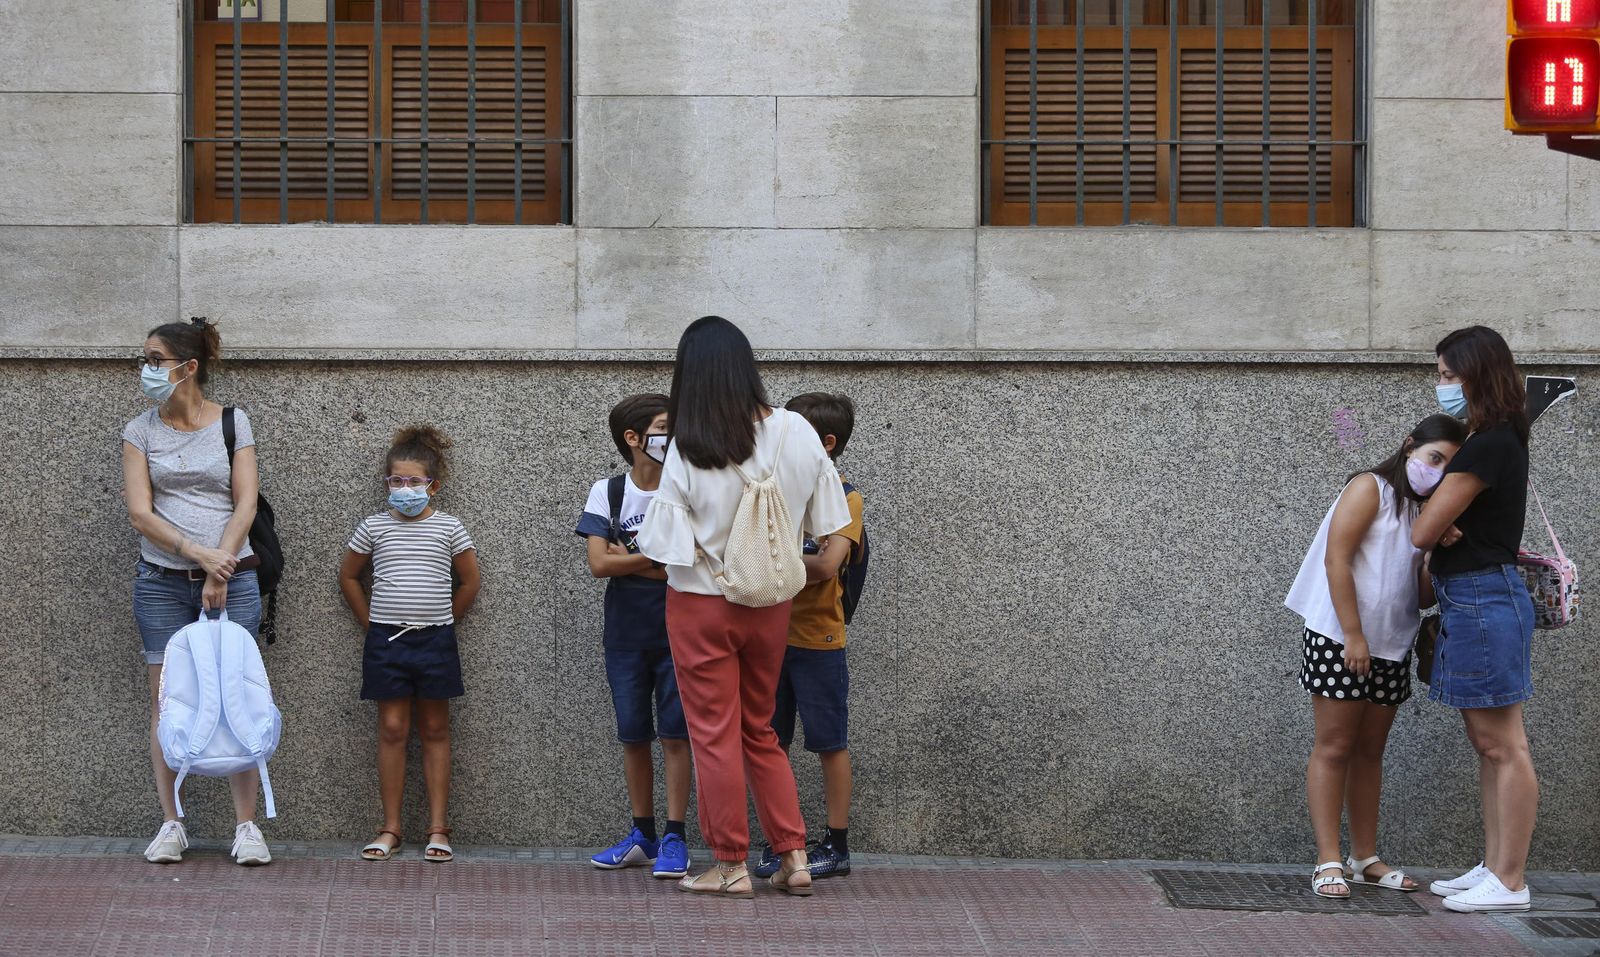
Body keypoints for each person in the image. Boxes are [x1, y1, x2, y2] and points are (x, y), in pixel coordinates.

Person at [636, 316, 851, 899]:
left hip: (702, 605)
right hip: (772, 602)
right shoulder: (798, 431)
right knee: (760, 729)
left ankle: (730, 863)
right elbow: (828, 517)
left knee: (713, 733)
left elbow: (664, 545)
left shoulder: (689, 442)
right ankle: (795, 855)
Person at [1286, 413, 1466, 899]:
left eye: (1450, 467)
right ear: (1410, 446)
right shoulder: (1371, 488)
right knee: (1334, 746)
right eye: (1434, 458)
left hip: (1392, 643)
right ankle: (1328, 859)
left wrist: (1435, 553)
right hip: (1339, 638)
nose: (1438, 471)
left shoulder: (1425, 512)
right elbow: (1335, 559)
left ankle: (1364, 856)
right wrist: (1353, 636)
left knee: (1370, 752)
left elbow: (1423, 595)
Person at [123, 317, 272, 866]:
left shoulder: (234, 423)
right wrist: (198, 555)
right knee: (168, 705)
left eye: (154, 359)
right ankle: (171, 823)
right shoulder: (139, 431)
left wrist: (220, 567)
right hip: (161, 582)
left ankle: (247, 827)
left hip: (232, 580)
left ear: (188, 366)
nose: (145, 369)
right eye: (143, 358)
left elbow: (246, 504)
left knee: (236, 696)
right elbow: (140, 512)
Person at [1411, 326, 1538, 913]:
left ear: (1475, 374)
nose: (1441, 387)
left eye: (1446, 375)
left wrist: (1441, 522)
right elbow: (1443, 523)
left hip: (1485, 598)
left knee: (1503, 744)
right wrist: (1446, 522)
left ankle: (1510, 880)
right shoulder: (1495, 438)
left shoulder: (1487, 445)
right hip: (1475, 597)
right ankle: (1494, 866)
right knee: (1487, 742)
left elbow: (1421, 531)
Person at [339, 425, 480, 863]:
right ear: (387, 483)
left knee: (436, 729)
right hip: (386, 641)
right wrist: (371, 624)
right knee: (393, 729)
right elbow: (349, 576)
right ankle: (390, 827)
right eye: (397, 481)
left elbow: (471, 581)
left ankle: (439, 827)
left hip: (435, 641)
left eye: (414, 482)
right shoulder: (373, 527)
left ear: (433, 486)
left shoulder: (449, 528)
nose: (405, 489)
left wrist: (443, 620)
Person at [578, 394, 693, 880]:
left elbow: (686, 566)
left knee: (675, 736)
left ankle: (675, 836)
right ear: (634, 438)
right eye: (665, 428)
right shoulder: (609, 491)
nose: (675, 437)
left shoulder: (686, 488)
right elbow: (599, 564)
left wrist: (634, 553)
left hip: (679, 633)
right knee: (632, 735)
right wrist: (655, 557)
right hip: (624, 636)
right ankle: (642, 833)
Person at [754, 392, 865, 882]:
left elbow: (825, 565)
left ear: (825, 443)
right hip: (769, 637)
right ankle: (780, 839)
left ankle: (835, 845)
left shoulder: (846, 497)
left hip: (819, 640)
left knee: (829, 742)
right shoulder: (773, 493)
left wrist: (766, 560)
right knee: (767, 741)